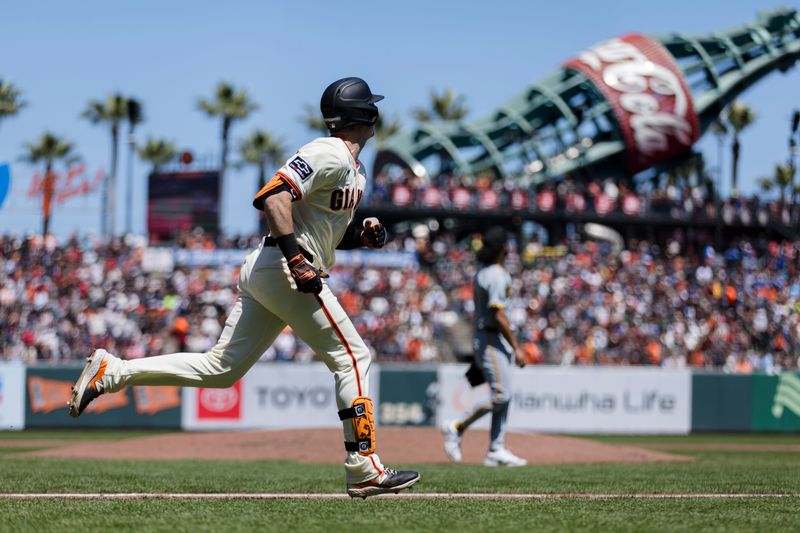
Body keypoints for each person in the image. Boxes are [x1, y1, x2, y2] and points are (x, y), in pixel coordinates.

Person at [68, 77, 420, 499]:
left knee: (221, 369)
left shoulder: (353, 169)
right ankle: (364, 467)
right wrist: (295, 260)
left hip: (273, 267)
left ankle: (115, 372)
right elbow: (273, 198)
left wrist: (361, 238)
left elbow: (323, 231)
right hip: (284, 267)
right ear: (365, 114)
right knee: (353, 356)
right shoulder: (326, 152)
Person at [441, 227, 527, 467]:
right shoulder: (497, 275)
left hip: (487, 337)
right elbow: (498, 315)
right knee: (501, 395)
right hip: (491, 337)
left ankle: (496, 449)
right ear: (504, 248)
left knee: (504, 395)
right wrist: (517, 347)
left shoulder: (485, 272)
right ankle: (456, 426)